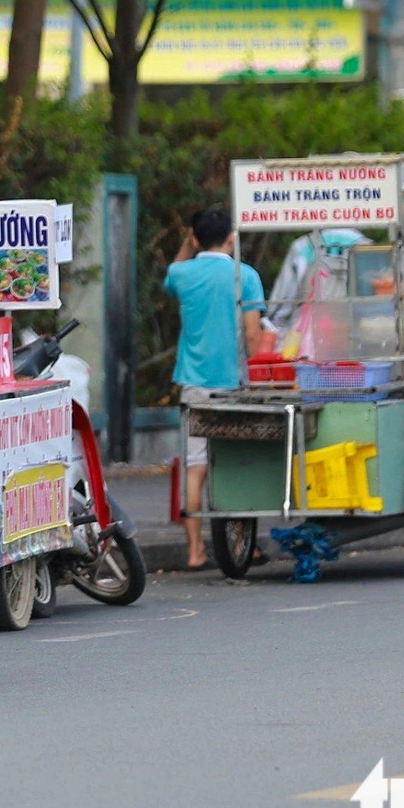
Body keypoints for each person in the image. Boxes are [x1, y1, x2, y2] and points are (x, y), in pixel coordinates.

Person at [165, 208, 264, 570]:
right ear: (231, 238)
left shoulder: (182, 273)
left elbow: (173, 270)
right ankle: (245, 545)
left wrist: (189, 241)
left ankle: (194, 551)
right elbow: (253, 335)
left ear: (193, 238)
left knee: (195, 467)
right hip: (235, 384)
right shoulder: (245, 275)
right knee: (237, 463)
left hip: (193, 383)